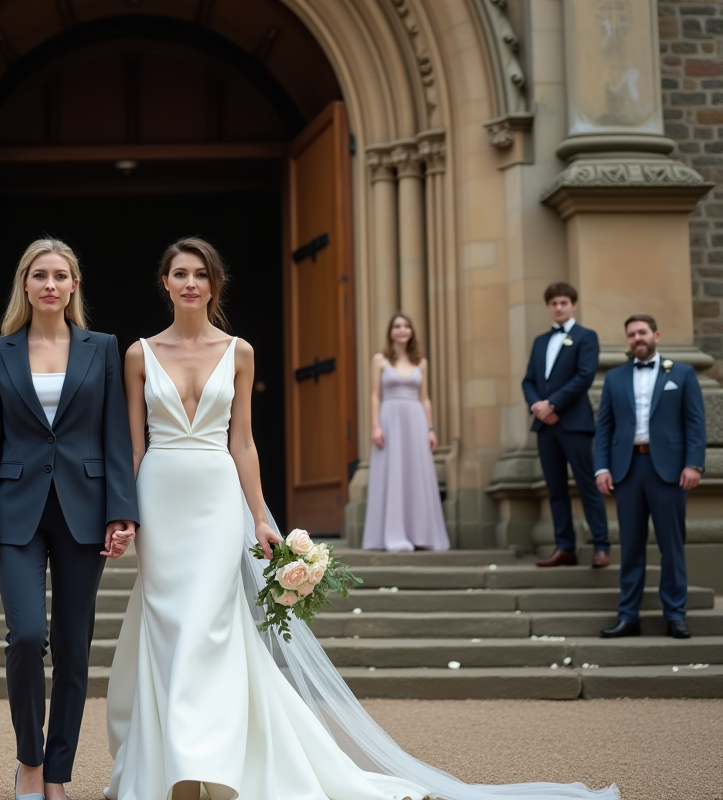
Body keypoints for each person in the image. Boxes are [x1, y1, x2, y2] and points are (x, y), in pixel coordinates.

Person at [105, 238, 616, 800]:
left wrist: (259, 517)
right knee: (171, 632)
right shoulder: (139, 354)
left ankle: (211, 770)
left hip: (218, 501)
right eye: (180, 274)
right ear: (165, 282)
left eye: (200, 274)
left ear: (214, 284)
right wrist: (122, 514)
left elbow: (244, 443)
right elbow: (132, 448)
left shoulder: (240, 352)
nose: (190, 284)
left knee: (211, 630)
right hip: (161, 501)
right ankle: (174, 770)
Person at [0, 238, 138, 800]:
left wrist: (122, 512)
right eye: (39, 274)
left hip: (83, 510)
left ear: (73, 286)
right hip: (15, 513)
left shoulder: (102, 348)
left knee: (72, 644)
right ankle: (30, 762)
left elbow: (116, 436)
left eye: (60, 275)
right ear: (25, 284)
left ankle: (58, 775)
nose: (49, 284)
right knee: (26, 636)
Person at [595, 315, 705, 640]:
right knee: (630, 546)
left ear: (656, 334)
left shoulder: (682, 373)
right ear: (626, 340)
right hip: (627, 470)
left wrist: (694, 464)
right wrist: (601, 467)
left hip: (670, 471)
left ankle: (675, 615)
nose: (636, 338)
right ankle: (628, 616)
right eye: (631, 334)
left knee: (672, 545)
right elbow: (604, 428)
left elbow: (695, 424)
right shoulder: (614, 378)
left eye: (642, 332)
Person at [522, 282, 611, 568]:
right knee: (555, 488)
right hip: (546, 426)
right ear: (549, 307)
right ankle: (565, 546)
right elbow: (529, 381)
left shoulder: (586, 337)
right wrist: (537, 406)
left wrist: (553, 404)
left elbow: (584, 376)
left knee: (587, 484)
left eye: (563, 302)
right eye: (553, 303)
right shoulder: (539, 342)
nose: (558, 307)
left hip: (574, 423)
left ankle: (601, 545)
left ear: (573, 305)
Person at [362, 313, 449, 552]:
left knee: (416, 474)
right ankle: (391, 535)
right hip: (389, 420)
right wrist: (375, 426)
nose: (402, 330)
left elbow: (425, 398)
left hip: (416, 420)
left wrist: (430, 429)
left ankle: (420, 534)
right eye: (397, 326)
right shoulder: (380, 360)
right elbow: (374, 395)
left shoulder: (421, 362)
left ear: (411, 332)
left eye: (406, 326)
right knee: (392, 473)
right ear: (391, 331)